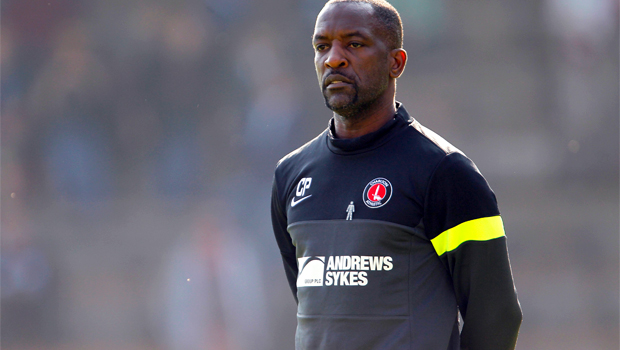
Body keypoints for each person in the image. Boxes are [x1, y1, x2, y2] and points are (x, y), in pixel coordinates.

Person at [270, 0, 522, 349]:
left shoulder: (444, 172)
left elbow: (497, 316)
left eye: (354, 44)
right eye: (322, 46)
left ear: (396, 62)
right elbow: (319, 307)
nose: (333, 59)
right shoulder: (291, 175)